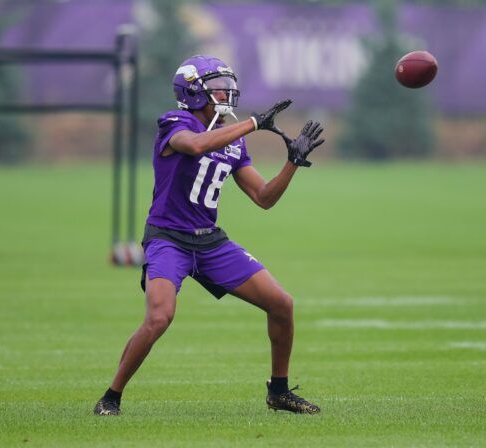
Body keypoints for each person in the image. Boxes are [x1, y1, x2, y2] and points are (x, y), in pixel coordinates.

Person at [94, 55, 324, 415]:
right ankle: (111, 395)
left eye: (228, 87)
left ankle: (278, 392)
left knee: (282, 304)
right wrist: (252, 123)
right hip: (169, 238)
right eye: (218, 88)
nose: (226, 94)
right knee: (159, 317)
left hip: (210, 242)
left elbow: (264, 198)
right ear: (193, 92)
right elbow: (197, 145)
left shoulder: (233, 139)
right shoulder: (175, 121)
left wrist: (291, 163)